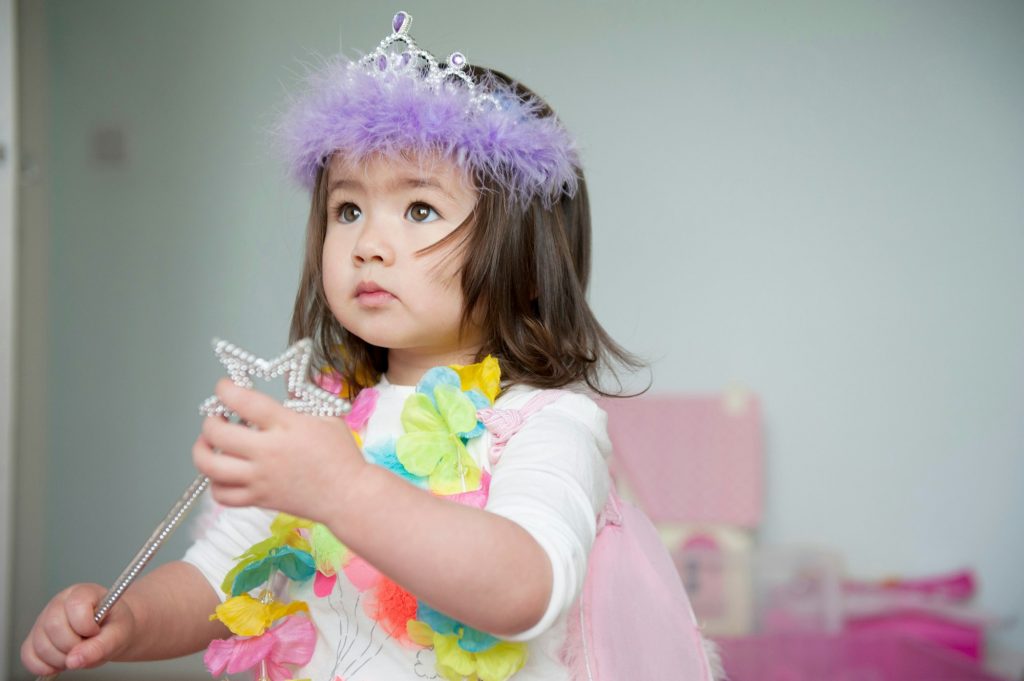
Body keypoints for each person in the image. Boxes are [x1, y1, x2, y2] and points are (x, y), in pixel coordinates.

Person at [21, 10, 646, 681]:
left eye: (419, 209)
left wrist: (344, 488)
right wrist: (131, 619)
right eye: (348, 210)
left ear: (524, 263)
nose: (367, 244)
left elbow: (525, 588)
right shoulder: (312, 421)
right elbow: (220, 580)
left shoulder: (546, 424)